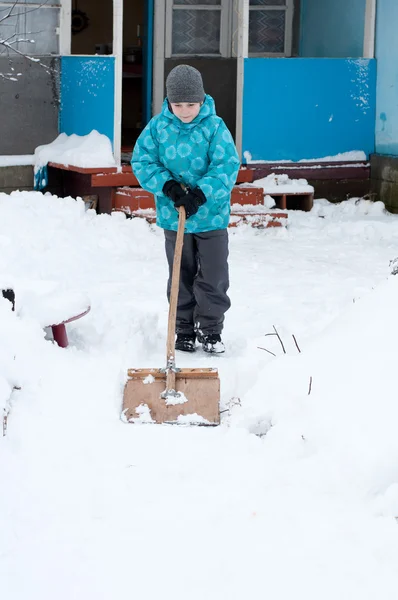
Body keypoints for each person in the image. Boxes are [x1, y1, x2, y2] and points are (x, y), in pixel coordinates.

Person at [132, 64, 240, 354]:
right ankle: (182, 327)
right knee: (180, 273)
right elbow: (142, 161)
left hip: (211, 217)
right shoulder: (158, 127)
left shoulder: (215, 127)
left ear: (202, 99)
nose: (184, 110)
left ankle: (211, 329)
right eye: (177, 104)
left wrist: (201, 194)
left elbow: (227, 165)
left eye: (191, 104)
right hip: (173, 216)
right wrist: (168, 187)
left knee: (214, 275)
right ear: (168, 101)